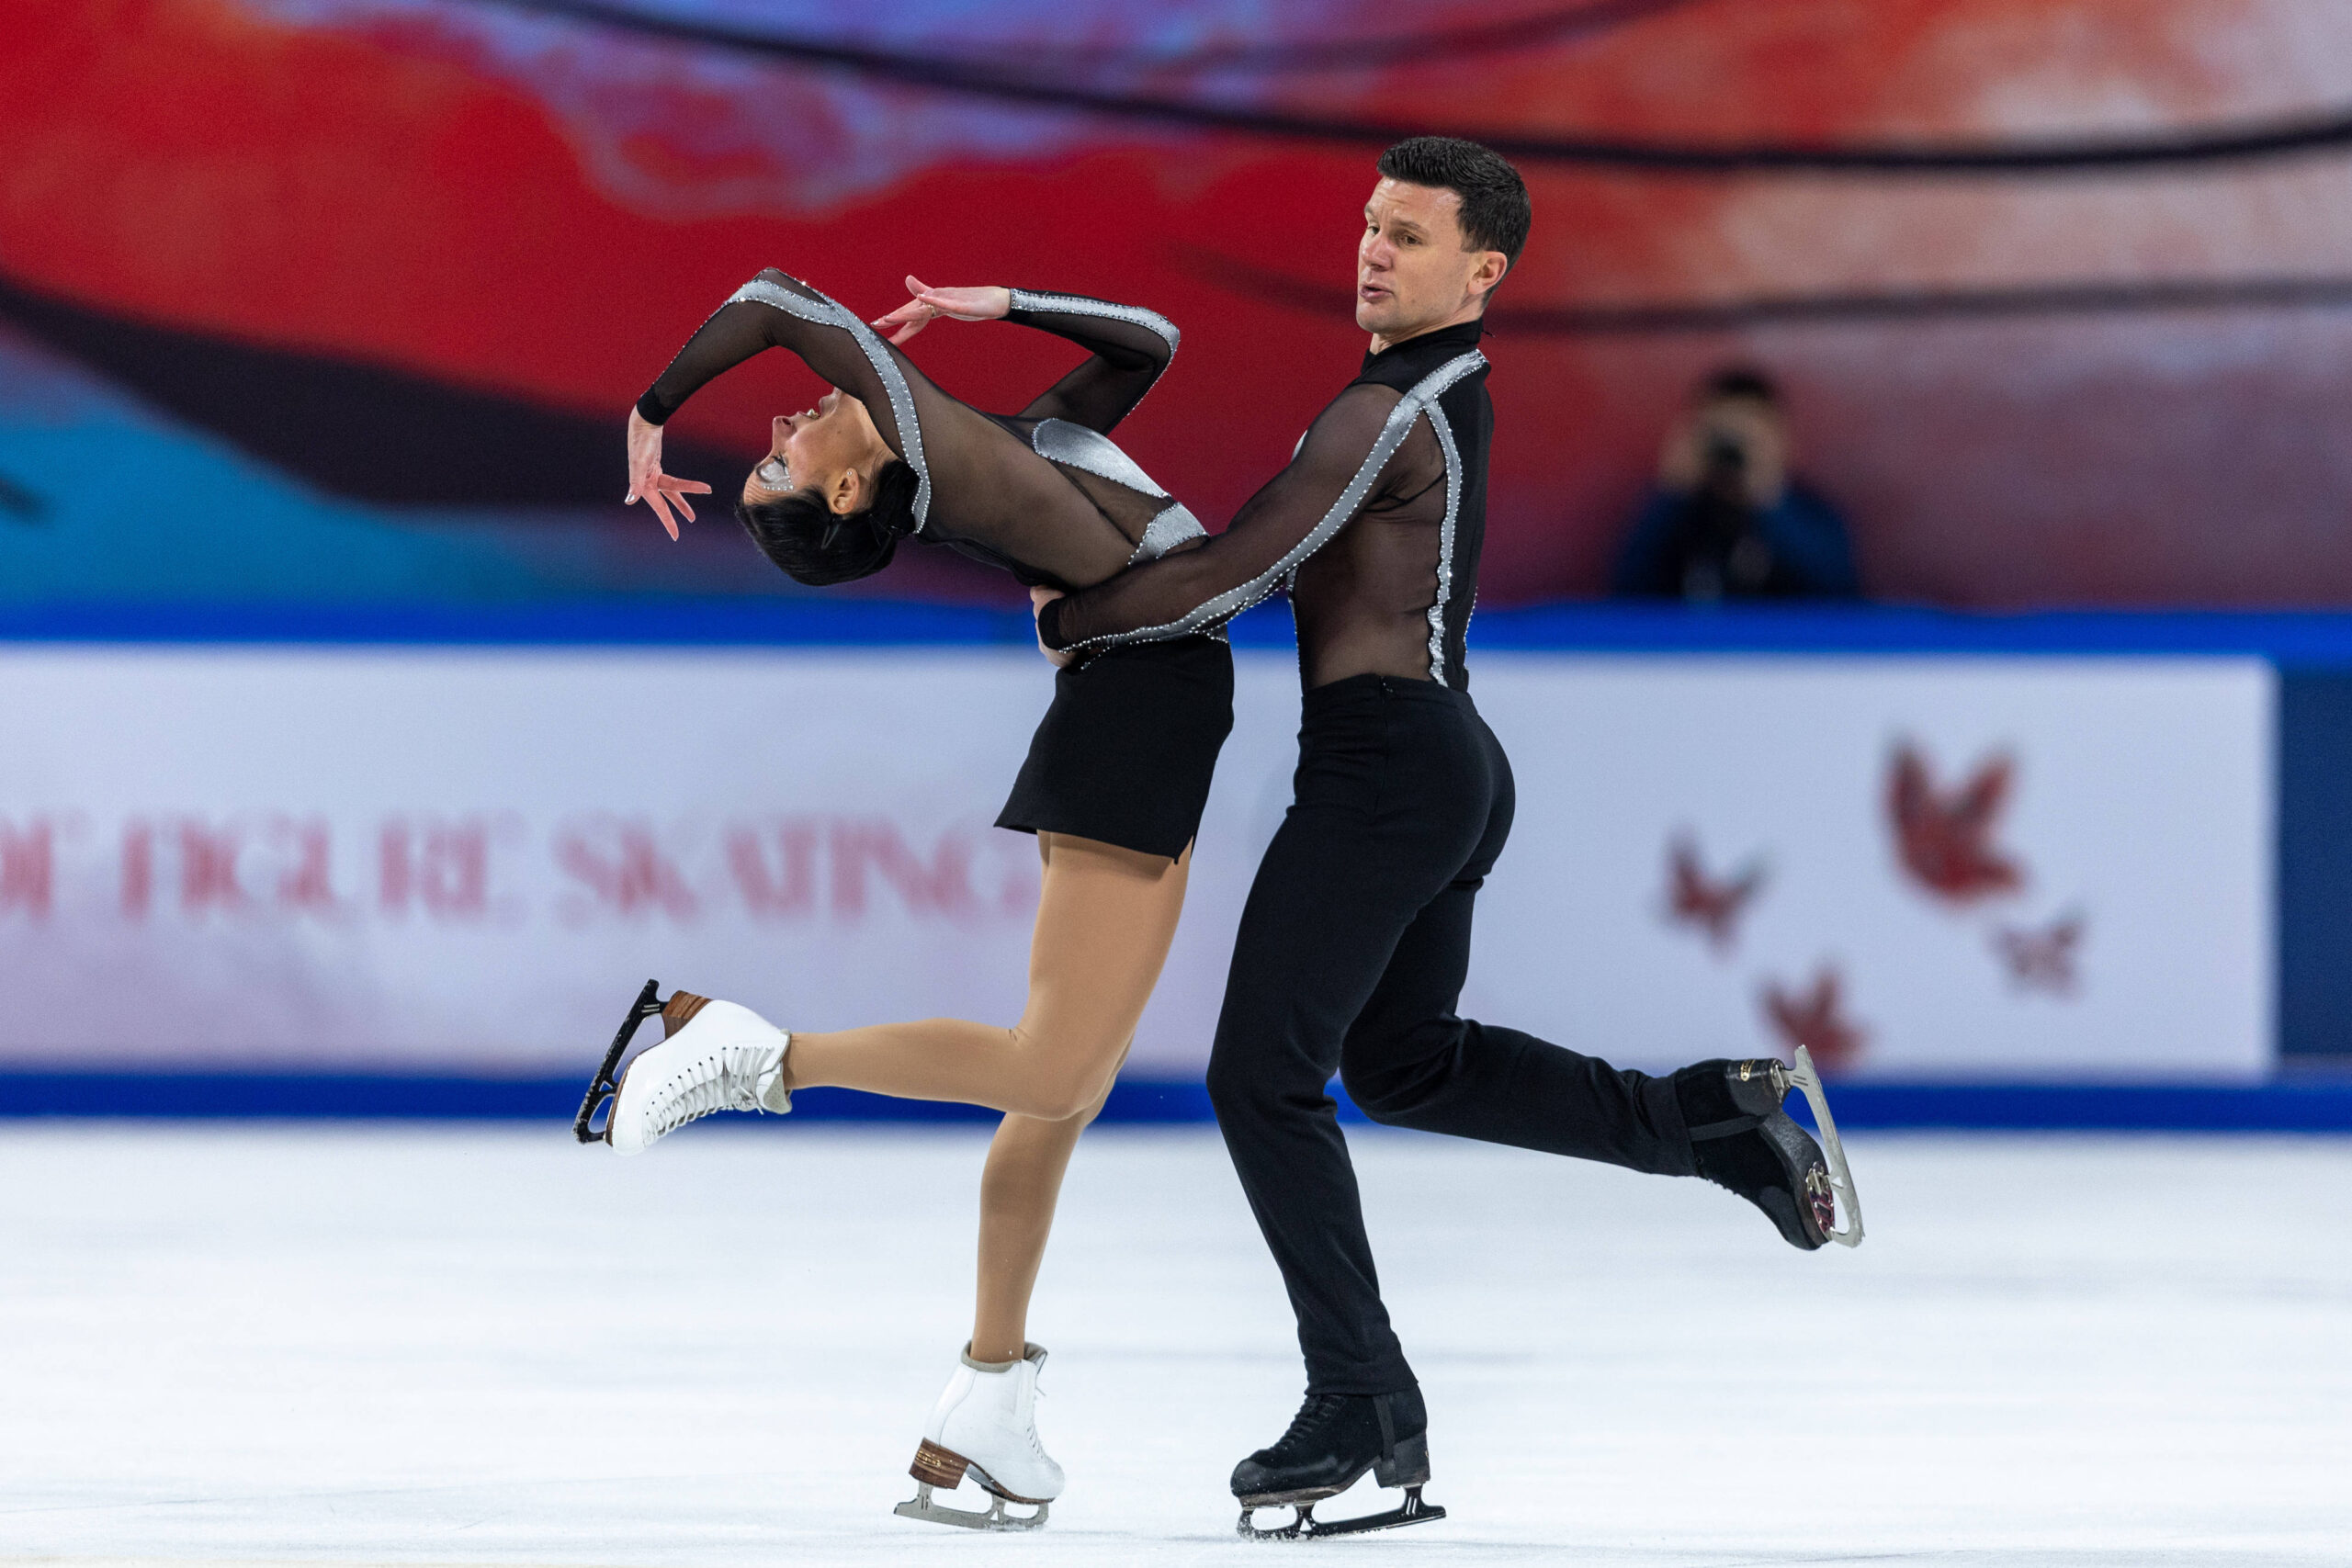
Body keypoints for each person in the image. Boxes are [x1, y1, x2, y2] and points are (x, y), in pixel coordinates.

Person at [1032, 136, 1863, 1540]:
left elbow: (1241, 566)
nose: (1372, 250)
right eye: (1370, 225)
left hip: (1393, 771)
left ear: (1482, 271)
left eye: (1408, 237)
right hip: (1434, 759)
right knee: (1403, 1062)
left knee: (1261, 1076)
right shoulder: (1413, 395)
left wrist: (1074, 619)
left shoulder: (1394, 407)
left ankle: (1359, 1392)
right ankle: (1707, 1117)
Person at [594, 266, 1234, 1530]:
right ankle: (759, 1050)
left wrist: (995, 304)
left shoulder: (1007, 447)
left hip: (1144, 713)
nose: (780, 428)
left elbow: (1150, 338)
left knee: (1066, 1091)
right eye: (785, 459)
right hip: (1134, 721)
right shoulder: (943, 458)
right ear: (851, 490)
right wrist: (653, 406)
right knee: (1050, 1068)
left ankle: (985, 1405)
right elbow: (779, 298)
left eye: (773, 445)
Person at [1610, 366, 1860, 600]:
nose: (1733, 451)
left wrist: (1769, 500)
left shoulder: (1811, 511)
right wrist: (1671, 491)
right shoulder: (1677, 514)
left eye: (1750, 437)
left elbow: (1838, 592)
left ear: (1781, 440)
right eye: (1722, 435)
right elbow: (1625, 592)